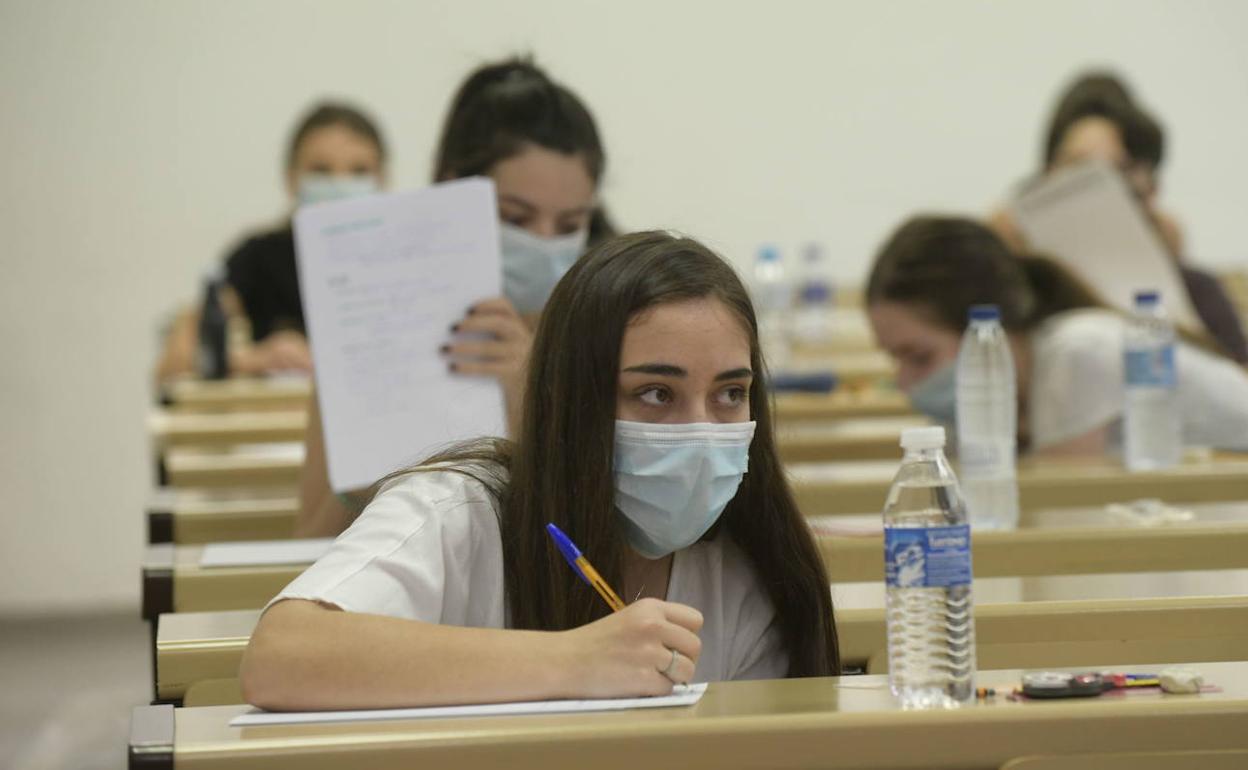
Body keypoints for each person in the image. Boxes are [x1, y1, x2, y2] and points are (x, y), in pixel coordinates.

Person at [240, 231, 840, 711]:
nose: (701, 429)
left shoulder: (751, 571)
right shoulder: (459, 510)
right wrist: (574, 661)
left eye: (730, 394)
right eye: (656, 393)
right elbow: (283, 653)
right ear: (573, 398)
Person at [297, 58, 614, 536]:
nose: (546, 243)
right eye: (516, 218)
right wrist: (362, 484)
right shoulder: (366, 329)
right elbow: (305, 548)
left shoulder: (615, 333)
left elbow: (609, 545)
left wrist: (531, 393)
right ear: (452, 189)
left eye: (570, 225)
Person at [866, 216, 1248, 454]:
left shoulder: (1079, 353)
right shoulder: (1007, 392)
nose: (904, 383)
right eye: (894, 359)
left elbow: (1058, 508)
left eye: (918, 357)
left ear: (989, 332)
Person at [988, 72, 1248, 363]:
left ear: (1149, 190)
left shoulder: (1197, 290)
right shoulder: (1020, 299)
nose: (1096, 195)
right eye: (1077, 168)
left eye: (1118, 170)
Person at [154, 102, 388, 381]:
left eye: (359, 171)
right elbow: (173, 362)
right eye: (321, 171)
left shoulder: (402, 258)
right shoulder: (259, 256)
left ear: (382, 179)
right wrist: (251, 360)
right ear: (291, 178)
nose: (340, 182)